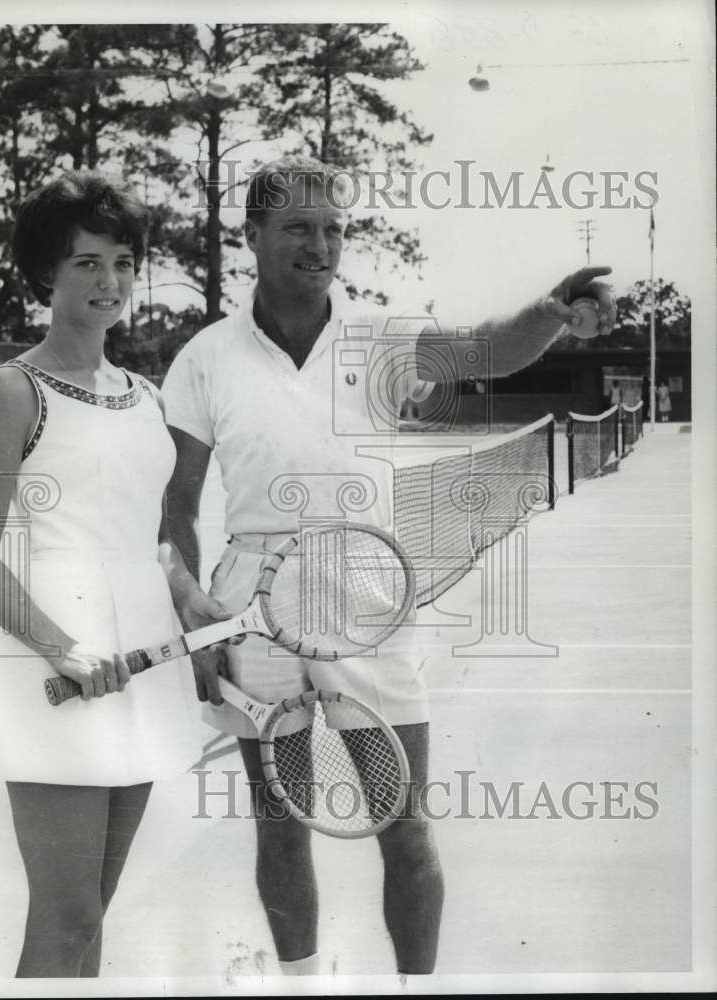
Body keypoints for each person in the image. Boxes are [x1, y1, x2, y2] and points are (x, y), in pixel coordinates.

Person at [161, 156, 617, 977]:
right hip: (254, 613)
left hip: (371, 599)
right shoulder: (204, 356)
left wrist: (548, 314)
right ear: (253, 236)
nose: (321, 244)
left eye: (334, 228)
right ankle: (300, 987)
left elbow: (487, 347)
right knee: (280, 819)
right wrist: (190, 611)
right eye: (299, 226)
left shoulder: (380, 337)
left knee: (403, 824)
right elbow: (176, 507)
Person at [0, 171, 231, 978]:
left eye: (121, 263)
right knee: (67, 917)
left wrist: (193, 604)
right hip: (55, 675)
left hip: (140, 666)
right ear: (47, 273)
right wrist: (61, 647)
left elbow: (150, 542)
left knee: (92, 919)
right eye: (86, 264)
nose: (109, 283)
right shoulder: (11, 391)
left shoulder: (143, 395)